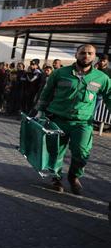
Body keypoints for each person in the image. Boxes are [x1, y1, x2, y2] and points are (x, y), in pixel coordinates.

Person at [35, 44, 111, 195]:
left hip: (82, 123)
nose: (86, 56)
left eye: (90, 53)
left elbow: (109, 96)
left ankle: (74, 176)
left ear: (94, 56)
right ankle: (56, 178)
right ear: (76, 54)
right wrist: (40, 111)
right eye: (83, 52)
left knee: (82, 152)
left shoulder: (101, 78)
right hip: (57, 119)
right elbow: (47, 92)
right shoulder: (60, 73)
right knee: (55, 151)